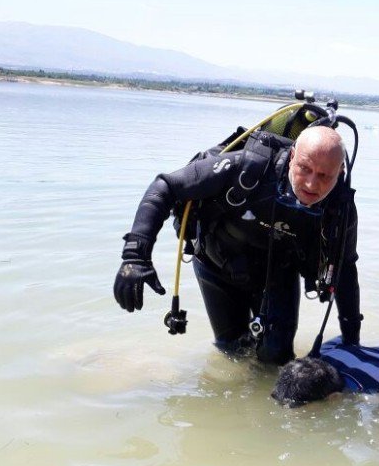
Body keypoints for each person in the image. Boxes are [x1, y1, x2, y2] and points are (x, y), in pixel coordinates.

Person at [114, 124, 362, 365]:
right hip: (218, 264)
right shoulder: (247, 168)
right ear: (292, 157)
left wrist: (352, 340)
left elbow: (346, 269)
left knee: (276, 358)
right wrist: (135, 256)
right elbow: (165, 186)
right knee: (231, 350)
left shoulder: (340, 209)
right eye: (304, 168)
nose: (310, 184)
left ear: (340, 172)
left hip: (278, 273)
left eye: (324, 176)